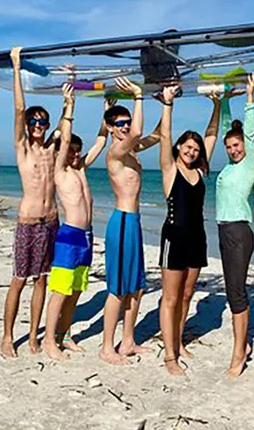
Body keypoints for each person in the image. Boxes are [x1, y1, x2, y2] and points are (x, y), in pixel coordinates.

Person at [41, 83, 114, 361]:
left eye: (76, 151)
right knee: (60, 290)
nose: (74, 154)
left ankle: (65, 334)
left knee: (75, 290)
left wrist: (106, 113)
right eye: (70, 150)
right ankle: (49, 340)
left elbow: (100, 142)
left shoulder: (81, 167)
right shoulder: (59, 170)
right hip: (69, 235)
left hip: (86, 236)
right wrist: (69, 106)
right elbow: (65, 138)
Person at [155, 83, 220, 375]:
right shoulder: (171, 169)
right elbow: (165, 135)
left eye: (196, 149)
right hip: (174, 238)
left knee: (187, 294)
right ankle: (170, 356)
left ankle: (178, 342)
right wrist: (168, 104)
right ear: (179, 147)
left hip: (197, 239)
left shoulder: (200, 171)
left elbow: (211, 136)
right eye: (188, 147)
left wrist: (218, 106)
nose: (192, 151)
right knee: (170, 297)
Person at [1, 46, 60, 358]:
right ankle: (8, 337)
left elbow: (67, 123)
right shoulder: (23, 148)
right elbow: (17, 110)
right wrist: (15, 67)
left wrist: (71, 95)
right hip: (28, 221)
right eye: (34, 120)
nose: (38, 124)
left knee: (42, 281)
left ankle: (35, 336)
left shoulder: (51, 150)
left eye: (43, 121)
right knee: (20, 280)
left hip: (51, 221)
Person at [100, 76, 161, 365]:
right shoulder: (116, 152)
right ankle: (106, 347)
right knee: (117, 289)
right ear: (111, 128)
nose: (126, 126)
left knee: (136, 287)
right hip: (122, 222)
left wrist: (167, 101)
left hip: (133, 223)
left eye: (127, 122)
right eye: (120, 123)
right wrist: (138, 95)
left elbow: (158, 134)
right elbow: (138, 131)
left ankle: (128, 341)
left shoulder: (131, 151)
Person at [214, 73, 254, 378]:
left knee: (236, 293)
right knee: (235, 289)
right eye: (230, 147)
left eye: (236, 145)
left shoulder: (250, 161)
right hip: (225, 231)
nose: (233, 149)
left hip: (238, 231)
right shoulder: (232, 164)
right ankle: (240, 346)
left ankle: (239, 351)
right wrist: (223, 101)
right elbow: (226, 129)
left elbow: (251, 134)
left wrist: (249, 97)